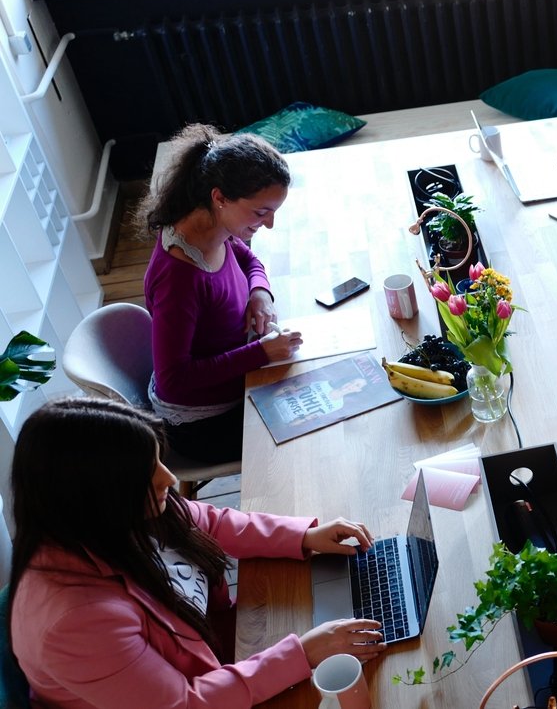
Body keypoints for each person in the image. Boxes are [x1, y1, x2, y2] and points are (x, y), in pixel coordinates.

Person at [7, 398, 385, 708]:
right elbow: (183, 705)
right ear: (95, 496)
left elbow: (211, 522)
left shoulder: (111, 517)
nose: (170, 479)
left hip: (224, 656)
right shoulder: (74, 624)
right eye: (147, 472)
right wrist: (302, 654)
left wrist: (305, 536)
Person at [137, 124, 303, 464]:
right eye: (261, 212)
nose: (269, 224)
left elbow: (246, 257)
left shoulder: (211, 226)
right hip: (204, 423)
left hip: (238, 377)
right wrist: (260, 353)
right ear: (219, 197)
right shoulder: (179, 278)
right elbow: (175, 379)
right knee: (310, 433)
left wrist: (260, 292)